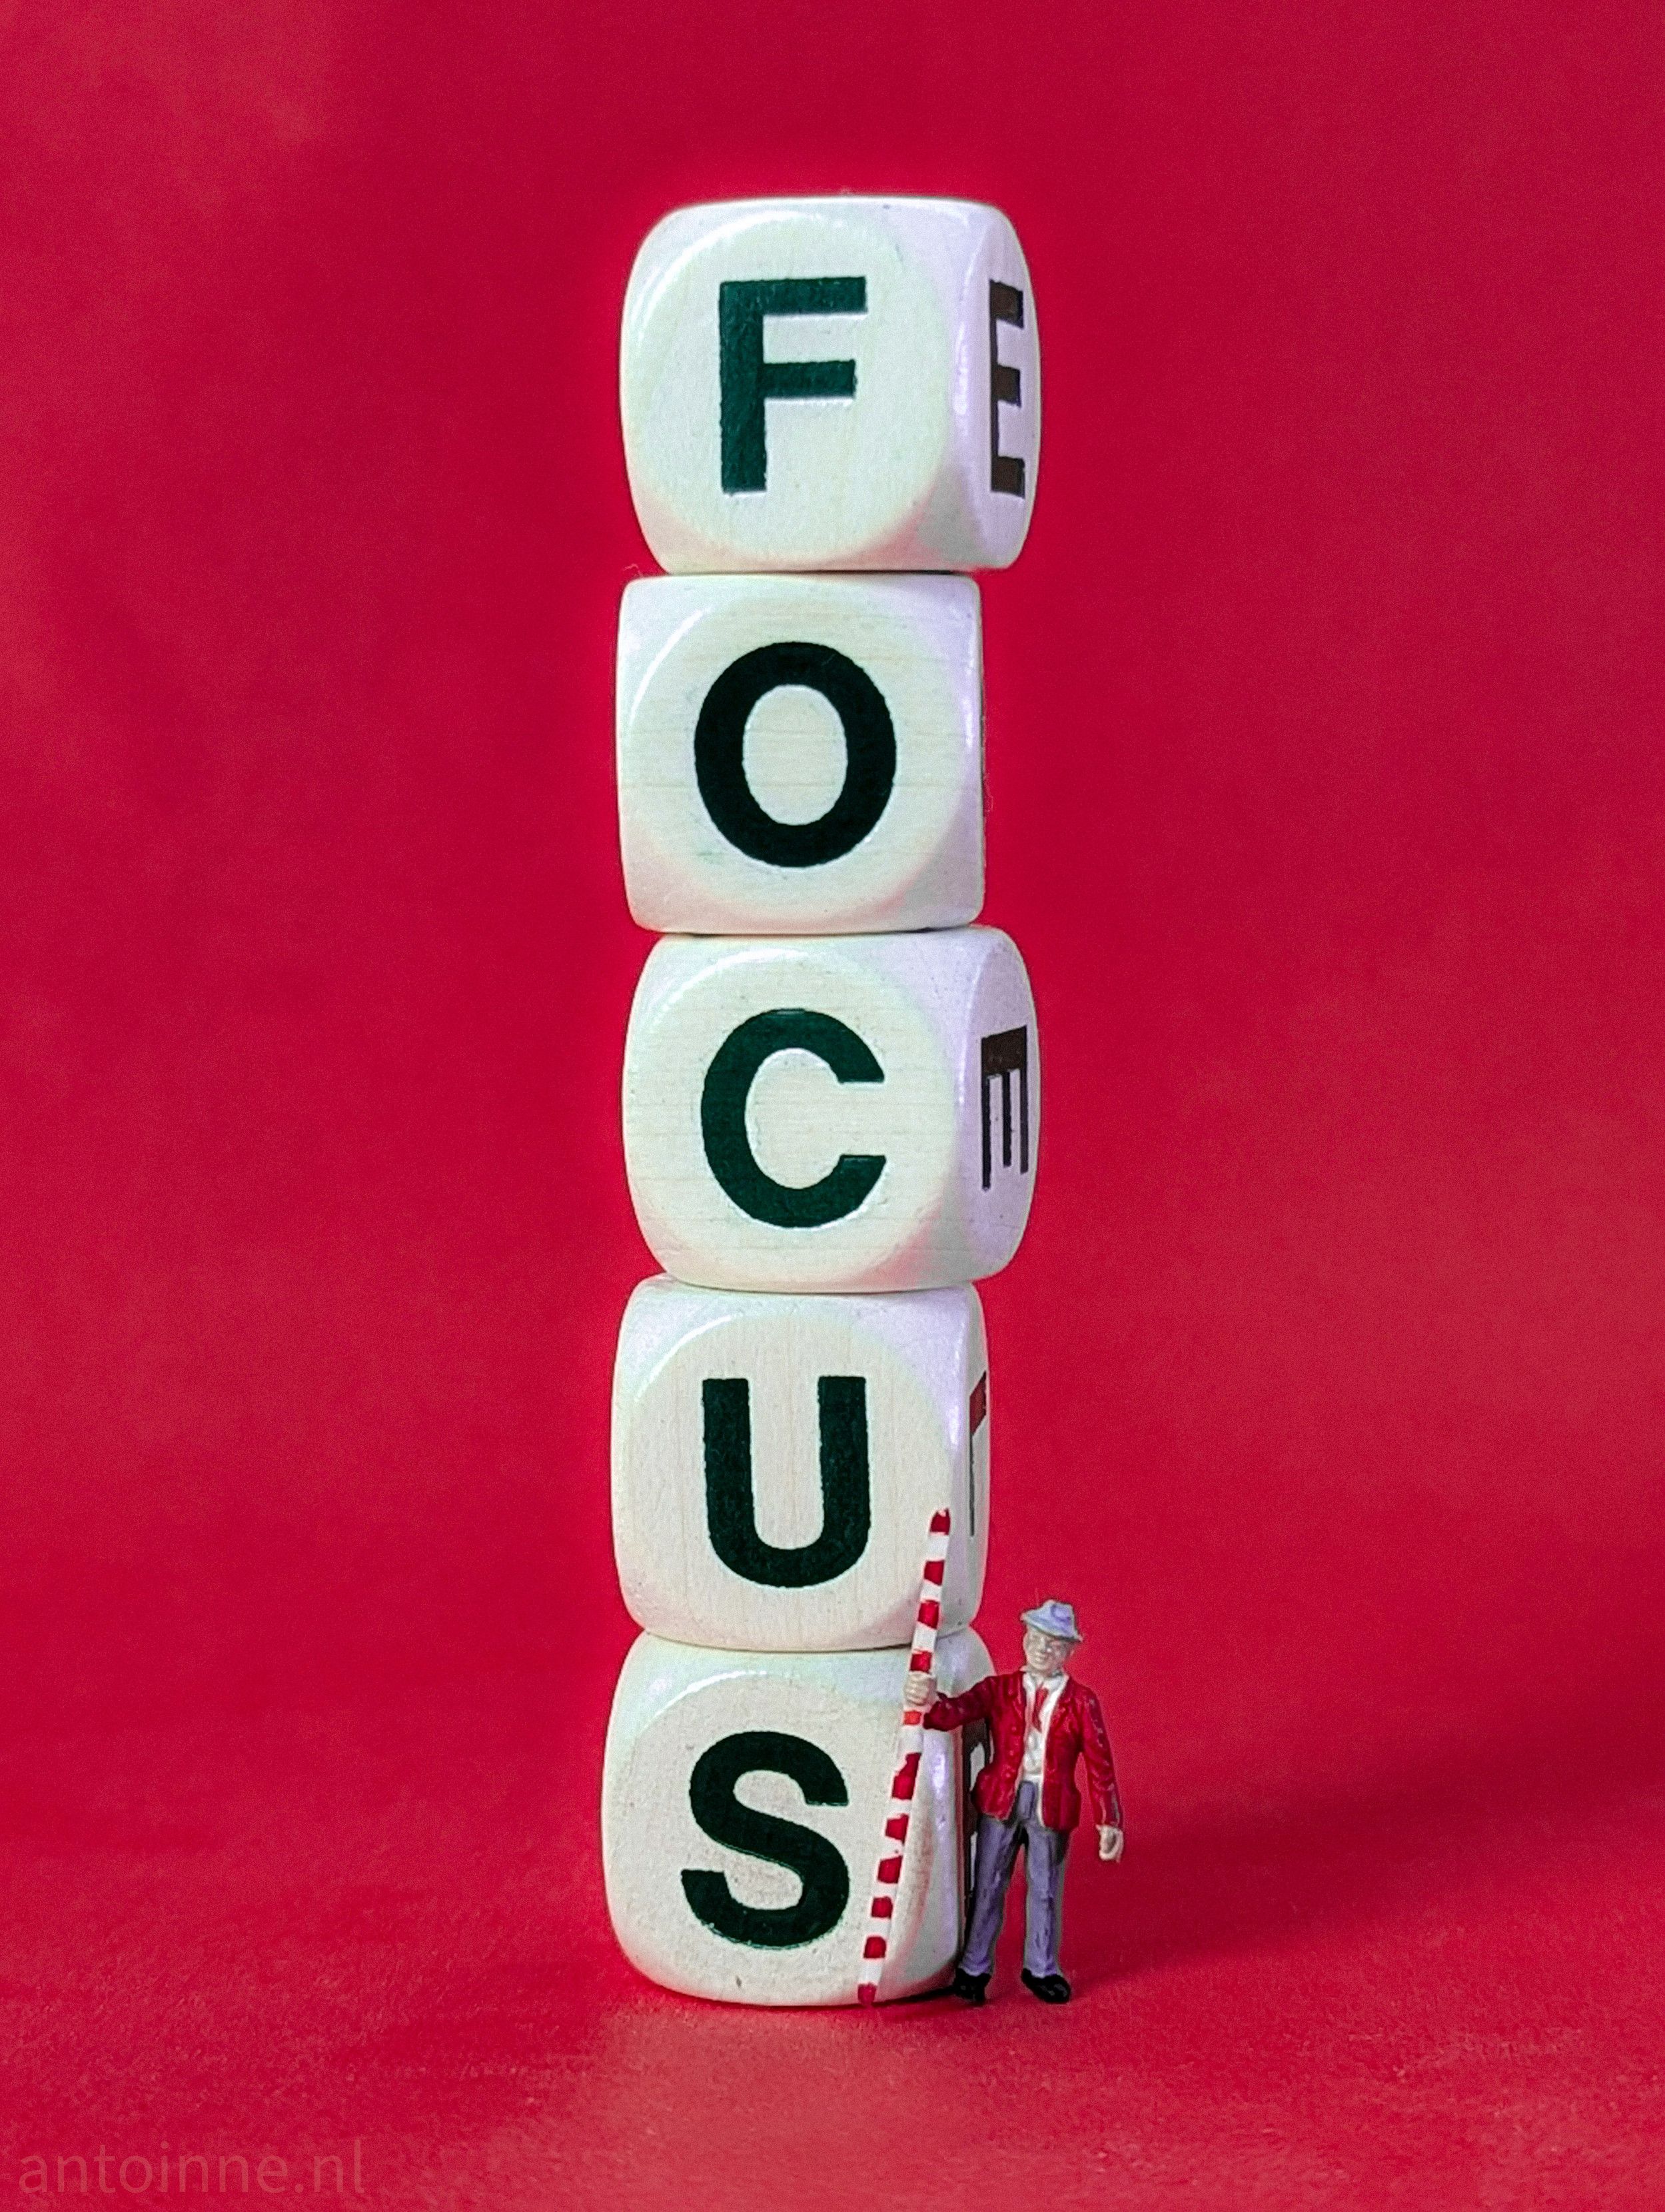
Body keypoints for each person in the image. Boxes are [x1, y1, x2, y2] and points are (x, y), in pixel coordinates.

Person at [905, 1598, 1122, 2004]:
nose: (1043, 1649)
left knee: (1045, 1889)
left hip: (1050, 1804)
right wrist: (928, 1699)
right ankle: (974, 1966)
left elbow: (1099, 1763)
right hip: (1001, 1801)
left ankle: (1041, 1966)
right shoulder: (999, 1690)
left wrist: (1109, 1820)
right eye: (1037, 1639)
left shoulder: (1082, 1702)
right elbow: (951, 1714)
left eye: (1054, 1644)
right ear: (1025, 1639)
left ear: (1068, 1653)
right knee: (988, 1884)